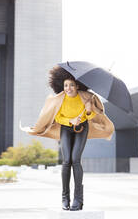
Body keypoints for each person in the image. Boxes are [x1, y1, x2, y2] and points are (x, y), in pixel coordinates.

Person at [20, 65, 115, 211]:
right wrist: (70, 121)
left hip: (82, 128)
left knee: (75, 160)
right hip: (65, 129)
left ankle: (78, 199)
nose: (68, 88)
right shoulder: (60, 99)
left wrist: (88, 111)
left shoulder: (87, 98)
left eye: (71, 85)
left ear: (77, 86)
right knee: (66, 161)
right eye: (65, 85)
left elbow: (94, 115)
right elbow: (57, 116)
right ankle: (65, 198)